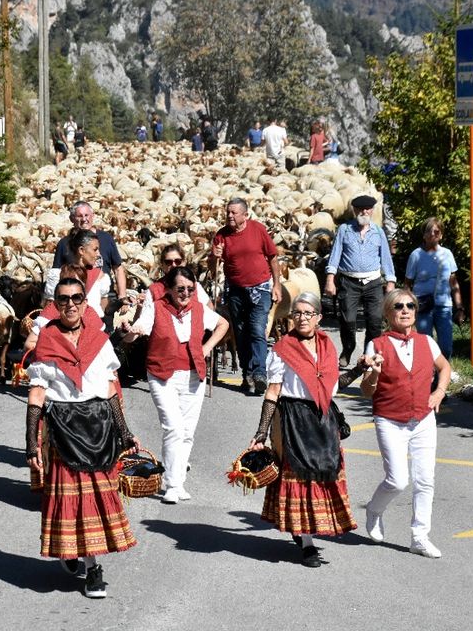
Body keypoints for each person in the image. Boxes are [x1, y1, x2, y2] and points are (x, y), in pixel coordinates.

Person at [25, 277, 141, 598]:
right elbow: (37, 394)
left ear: (86, 304)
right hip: (63, 427)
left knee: (95, 502)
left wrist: (125, 432)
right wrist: (30, 441)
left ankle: (92, 566)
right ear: (56, 305)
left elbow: (108, 390)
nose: (71, 304)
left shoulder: (99, 342)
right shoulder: (46, 341)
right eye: (63, 300)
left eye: (77, 298)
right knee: (71, 501)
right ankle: (88, 563)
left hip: (98, 426)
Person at [249, 292, 357, 567]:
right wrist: (262, 432)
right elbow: (273, 392)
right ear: (291, 317)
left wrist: (359, 369)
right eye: (297, 313)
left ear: (319, 317)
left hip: (322, 418)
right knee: (298, 478)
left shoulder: (327, 346)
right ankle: (306, 542)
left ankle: (310, 530)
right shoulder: (283, 349)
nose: (302, 318)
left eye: (308, 313)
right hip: (293, 419)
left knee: (324, 473)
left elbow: (332, 386)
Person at [122, 266, 228, 503]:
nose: (186, 294)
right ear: (168, 289)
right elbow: (139, 329)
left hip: (193, 375)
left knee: (188, 432)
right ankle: (171, 484)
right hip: (162, 375)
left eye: (190, 289)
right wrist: (131, 332)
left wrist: (206, 348)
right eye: (180, 289)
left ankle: (179, 481)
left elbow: (223, 325)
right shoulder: (157, 307)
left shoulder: (199, 309)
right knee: (173, 427)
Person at [359, 288, 451, 558]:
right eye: (398, 306)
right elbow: (367, 391)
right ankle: (374, 511)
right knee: (398, 480)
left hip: (423, 419)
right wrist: (373, 375)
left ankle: (419, 536)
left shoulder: (427, 342)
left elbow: (444, 367)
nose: (405, 310)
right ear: (388, 313)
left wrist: (439, 392)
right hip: (389, 419)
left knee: (425, 480)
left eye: (410, 305)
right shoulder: (377, 345)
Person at [211, 198, 281, 395]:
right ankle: (247, 373)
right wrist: (214, 256)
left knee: (257, 329)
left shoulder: (258, 230)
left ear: (245, 215)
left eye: (234, 213)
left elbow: (272, 257)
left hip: (260, 289)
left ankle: (259, 372)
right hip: (235, 291)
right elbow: (212, 269)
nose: (230, 216)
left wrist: (276, 285)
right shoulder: (221, 236)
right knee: (240, 334)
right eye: (228, 213)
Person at [325, 194, 396, 368]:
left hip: (373, 283)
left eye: (367, 209)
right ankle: (348, 348)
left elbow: (386, 258)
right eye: (360, 209)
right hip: (349, 282)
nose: (364, 212)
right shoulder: (344, 230)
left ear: (372, 211)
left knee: (375, 320)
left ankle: (368, 354)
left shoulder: (378, 232)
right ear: (354, 210)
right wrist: (330, 279)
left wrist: (390, 281)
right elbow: (335, 255)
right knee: (347, 320)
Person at [404, 217, 464, 366]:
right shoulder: (416, 255)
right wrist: (408, 307)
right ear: (423, 235)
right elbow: (407, 284)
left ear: (441, 234)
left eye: (436, 231)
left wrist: (460, 307)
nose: (432, 234)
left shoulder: (447, 254)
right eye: (428, 231)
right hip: (423, 305)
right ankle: (427, 377)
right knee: (425, 345)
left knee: (446, 345)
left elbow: (453, 282)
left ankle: (441, 377)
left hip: (444, 305)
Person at [52, 202, 128, 308]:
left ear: (93, 216)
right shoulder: (64, 243)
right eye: (79, 216)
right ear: (72, 219)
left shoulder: (106, 238)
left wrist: (122, 296)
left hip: (105, 296)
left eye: (86, 215)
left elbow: (118, 269)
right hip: (75, 299)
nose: (84, 219)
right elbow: (56, 273)